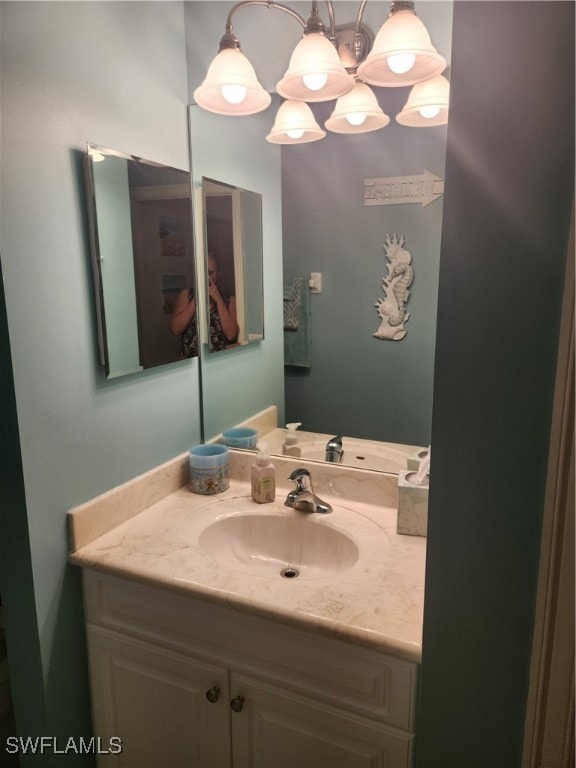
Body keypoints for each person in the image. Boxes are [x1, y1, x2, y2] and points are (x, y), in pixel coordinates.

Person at [170, 253, 239, 355]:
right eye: (203, 272)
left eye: (210, 272)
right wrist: (196, 300)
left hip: (220, 362)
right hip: (192, 363)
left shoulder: (229, 299)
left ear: (219, 273)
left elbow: (231, 335)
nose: (206, 277)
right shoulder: (187, 294)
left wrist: (218, 299)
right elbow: (176, 330)